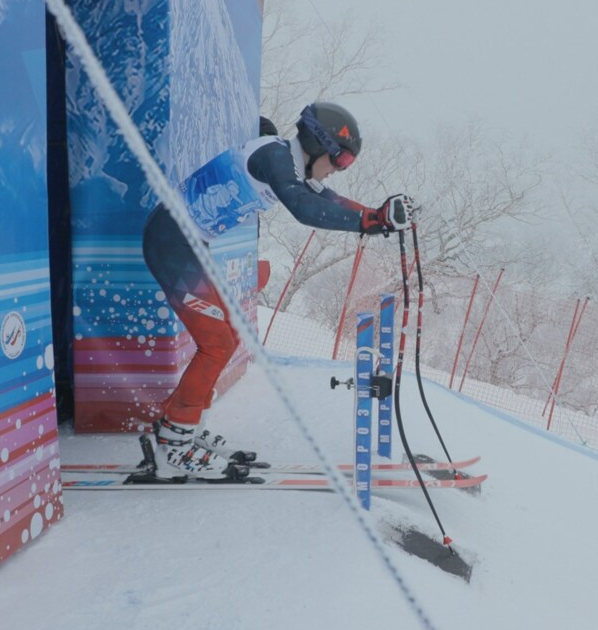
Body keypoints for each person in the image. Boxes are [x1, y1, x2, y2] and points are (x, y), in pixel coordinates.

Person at [141, 101, 416, 481]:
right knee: (217, 343)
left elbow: (325, 199)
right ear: (320, 146)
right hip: (170, 242)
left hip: (187, 243)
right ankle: (174, 444)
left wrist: (378, 217)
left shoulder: (287, 161)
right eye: (342, 161)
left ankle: (178, 427)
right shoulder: (274, 156)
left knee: (228, 337)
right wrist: (368, 220)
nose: (339, 169)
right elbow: (304, 208)